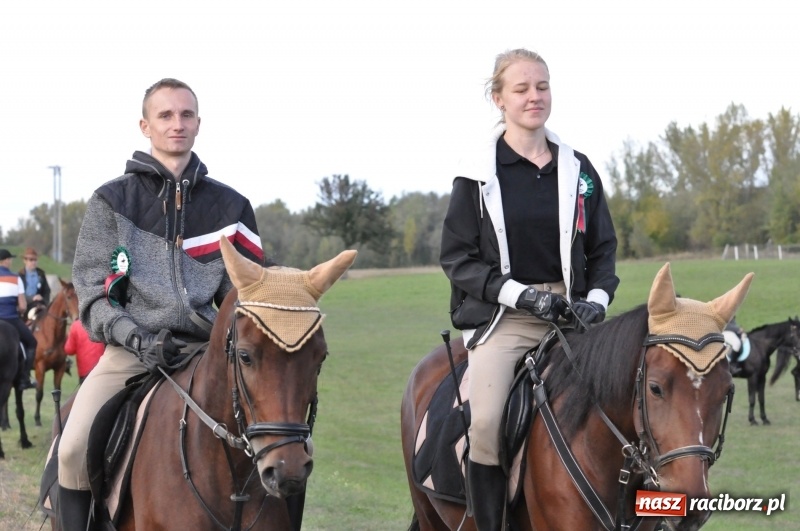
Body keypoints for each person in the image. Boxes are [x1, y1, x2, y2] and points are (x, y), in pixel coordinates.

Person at [58, 78, 266, 531]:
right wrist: (134, 335)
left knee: (287, 449)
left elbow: (250, 295)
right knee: (72, 447)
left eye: (186, 115)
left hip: (208, 353)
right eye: (166, 115)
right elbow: (92, 294)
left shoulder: (232, 206)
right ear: (145, 126)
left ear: (198, 124)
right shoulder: (111, 202)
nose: (177, 124)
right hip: (129, 351)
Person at [440, 49, 619, 530]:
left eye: (541, 86)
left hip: (575, 317)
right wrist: (521, 295)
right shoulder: (475, 175)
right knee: (485, 423)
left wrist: (597, 302)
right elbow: (456, 260)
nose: (534, 96)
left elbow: (604, 251)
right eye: (521, 89)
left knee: (633, 402)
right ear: (498, 99)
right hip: (507, 317)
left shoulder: (579, 170)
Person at [0, 249, 39, 389]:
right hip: (10, 319)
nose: (11, 261)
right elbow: (23, 306)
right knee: (32, 342)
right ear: (5, 260)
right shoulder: (16, 278)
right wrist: (19, 309)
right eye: (10, 259)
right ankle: (24, 378)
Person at [63, 319, 105, 384]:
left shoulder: (76, 325)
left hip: (85, 372)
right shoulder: (102, 321)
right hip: (103, 370)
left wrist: (69, 336)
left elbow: (69, 350)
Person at [18, 247, 51, 322]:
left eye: (35, 260)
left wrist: (43, 299)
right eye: (31, 260)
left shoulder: (41, 274)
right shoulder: (20, 275)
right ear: (25, 261)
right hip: (24, 305)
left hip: (38, 304)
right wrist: (31, 298)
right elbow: (17, 293)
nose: (33, 262)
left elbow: (47, 290)